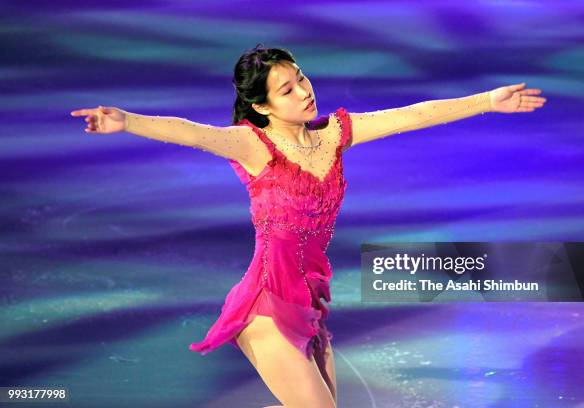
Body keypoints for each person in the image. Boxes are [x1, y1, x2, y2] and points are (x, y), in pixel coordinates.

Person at [70, 43, 546, 408]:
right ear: (262, 107)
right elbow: (193, 133)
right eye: (287, 89)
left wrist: (487, 100)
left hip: (310, 304)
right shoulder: (252, 146)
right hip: (266, 307)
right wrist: (127, 120)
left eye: (301, 79)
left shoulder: (333, 135)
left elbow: (411, 116)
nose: (304, 91)